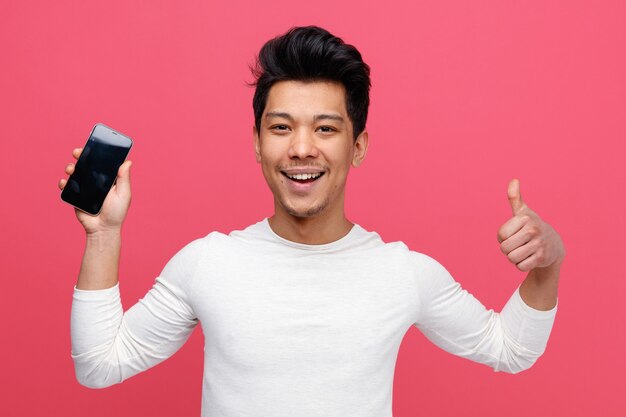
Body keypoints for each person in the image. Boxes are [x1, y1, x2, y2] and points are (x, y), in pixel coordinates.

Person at [59, 26, 564, 417]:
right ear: (257, 143)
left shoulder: (403, 272)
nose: (301, 147)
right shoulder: (208, 263)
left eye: (326, 128)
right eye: (281, 128)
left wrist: (549, 262)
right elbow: (100, 365)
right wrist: (103, 234)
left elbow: (511, 349)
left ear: (358, 146)